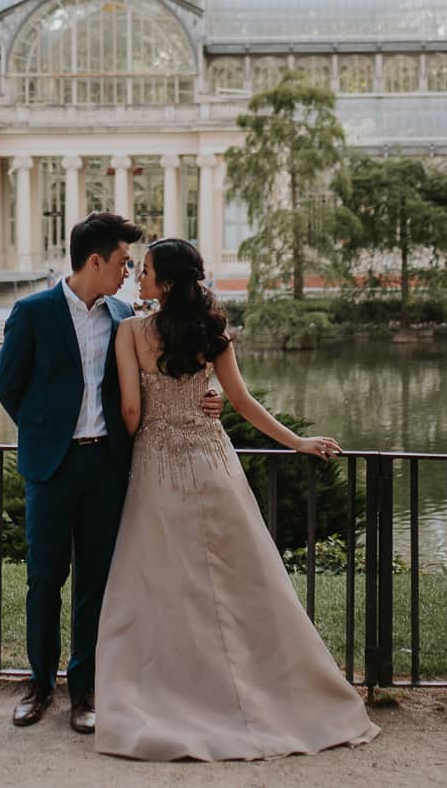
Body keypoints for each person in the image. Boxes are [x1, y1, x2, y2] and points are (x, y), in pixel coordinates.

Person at [94, 238, 379, 761]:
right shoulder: (213, 334)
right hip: (211, 463)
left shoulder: (130, 332)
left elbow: (131, 411)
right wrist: (298, 442)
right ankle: (255, 692)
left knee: (163, 586)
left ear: (168, 283)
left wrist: (129, 447)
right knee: (239, 582)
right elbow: (243, 402)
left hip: (157, 465)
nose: (138, 277)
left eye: (148, 270)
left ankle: (175, 692)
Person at [0, 213, 223, 734]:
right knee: (44, 579)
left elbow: (172, 365)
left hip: (106, 466)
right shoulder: (31, 313)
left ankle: (84, 689)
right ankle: (38, 685)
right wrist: (45, 431)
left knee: (95, 582)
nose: (127, 272)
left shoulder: (124, 316)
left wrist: (210, 396)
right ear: (94, 260)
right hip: (52, 467)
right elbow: (7, 386)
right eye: (122, 262)